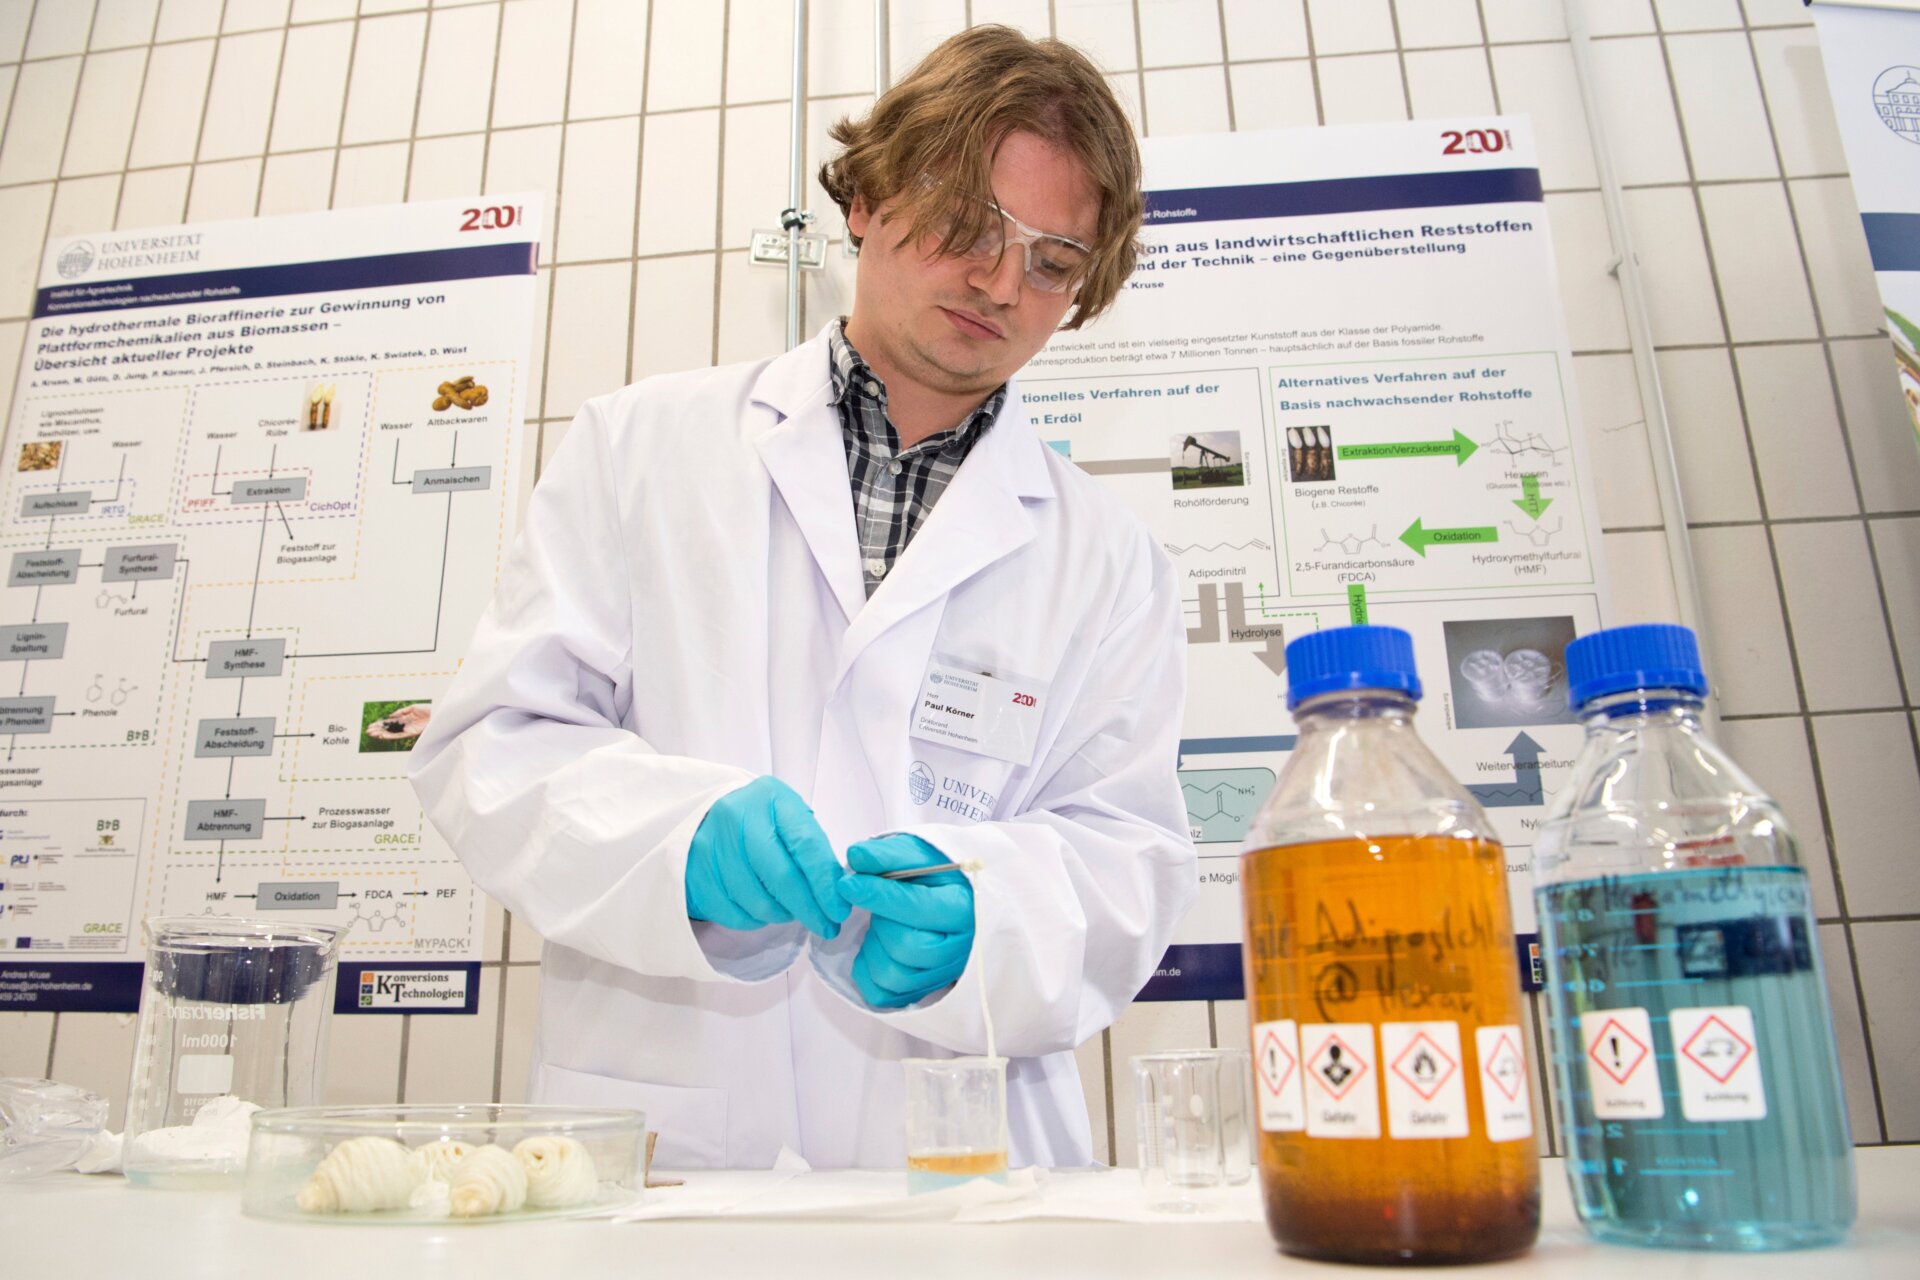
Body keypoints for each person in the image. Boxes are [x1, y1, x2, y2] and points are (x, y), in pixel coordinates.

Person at [409, 25, 1196, 1170]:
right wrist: (677, 840)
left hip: (965, 1171)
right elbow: (493, 747)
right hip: (666, 1142)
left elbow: (1128, 859)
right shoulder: (638, 447)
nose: (998, 281)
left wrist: (993, 918)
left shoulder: (1110, 560)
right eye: (969, 225)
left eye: (1052, 260)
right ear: (867, 200)